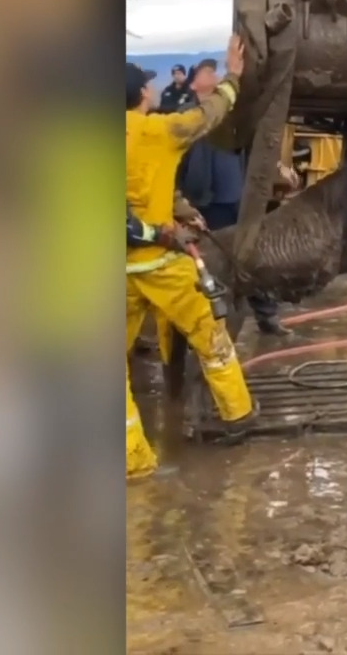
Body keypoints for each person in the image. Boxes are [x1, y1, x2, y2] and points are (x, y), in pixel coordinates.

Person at [125, 36, 255, 480]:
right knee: (209, 332)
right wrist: (234, 75)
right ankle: (238, 415)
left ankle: (134, 459)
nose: (153, 86)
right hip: (161, 263)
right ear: (141, 95)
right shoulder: (159, 130)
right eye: (147, 84)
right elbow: (211, 115)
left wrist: (178, 207)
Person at [175, 58, 294, 336]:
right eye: (207, 71)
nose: (214, 75)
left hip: (239, 198)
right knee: (212, 262)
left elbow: (256, 147)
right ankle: (212, 325)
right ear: (194, 82)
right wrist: (180, 200)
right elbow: (175, 161)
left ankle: (267, 316)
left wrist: (278, 167)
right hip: (205, 203)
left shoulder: (233, 113)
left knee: (253, 257)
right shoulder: (186, 115)